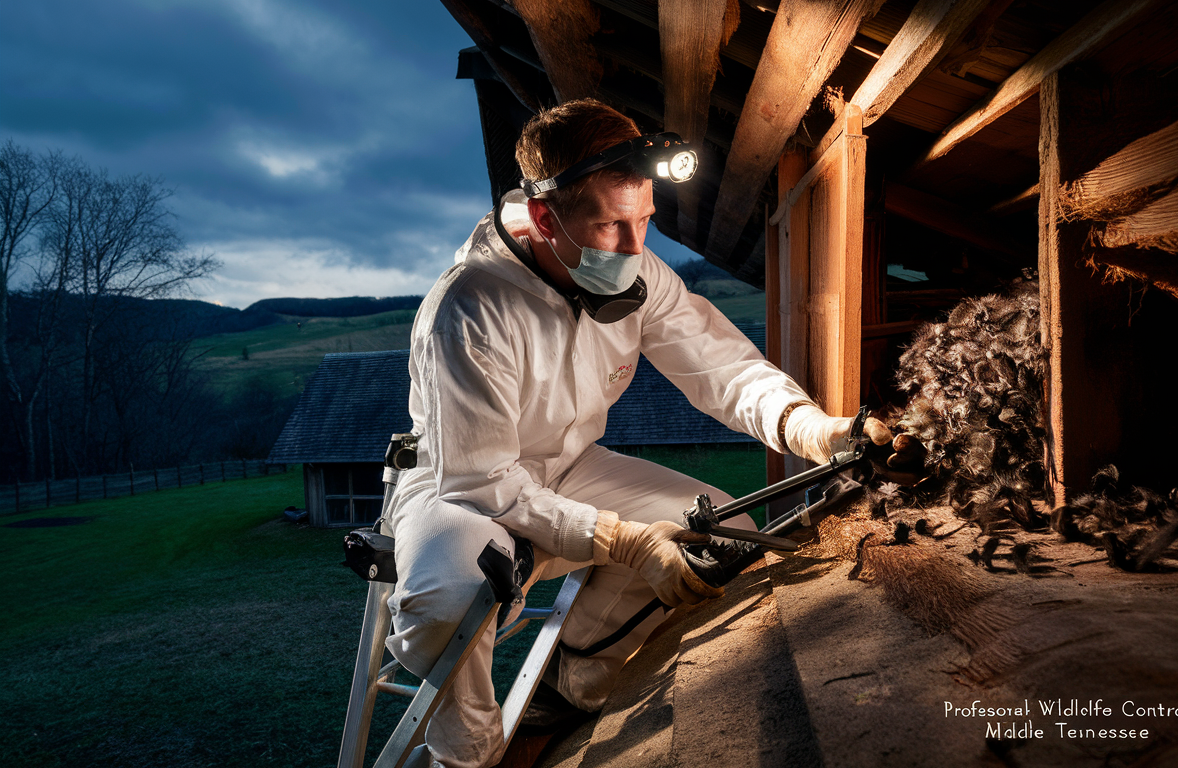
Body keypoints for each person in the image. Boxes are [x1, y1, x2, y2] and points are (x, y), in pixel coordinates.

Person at [382, 98, 892, 768]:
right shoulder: (470, 306)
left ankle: (574, 687)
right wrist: (620, 540)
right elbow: (484, 482)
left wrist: (814, 430)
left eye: (645, 221)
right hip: (460, 491)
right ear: (543, 217)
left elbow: (723, 369)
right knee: (446, 599)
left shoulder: (635, 272)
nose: (636, 248)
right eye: (612, 227)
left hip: (567, 468)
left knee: (717, 540)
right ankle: (466, 754)